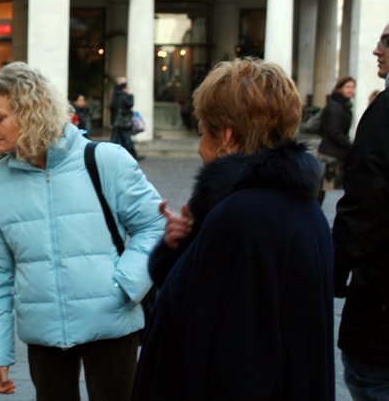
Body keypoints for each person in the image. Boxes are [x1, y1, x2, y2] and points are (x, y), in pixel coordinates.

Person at [133, 58, 334, 400]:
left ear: (226, 135)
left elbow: (228, 361)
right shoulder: (300, 207)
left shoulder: (241, 217)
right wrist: (184, 247)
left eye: (203, 132)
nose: (199, 147)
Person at [0, 62, 164, 400]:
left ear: (31, 112)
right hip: (44, 334)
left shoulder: (106, 160)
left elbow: (156, 225)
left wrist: (124, 285)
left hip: (112, 326)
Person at [333, 22, 389, 400]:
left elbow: (365, 204)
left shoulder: (384, 113)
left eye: (386, 40)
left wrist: (334, 271)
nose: (375, 49)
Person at [317, 75, 355, 204]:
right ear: (339, 89)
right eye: (347, 87)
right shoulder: (336, 107)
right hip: (330, 154)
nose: (351, 90)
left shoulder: (342, 105)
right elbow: (334, 131)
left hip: (334, 152)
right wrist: (349, 144)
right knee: (323, 190)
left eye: (352, 87)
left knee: (323, 190)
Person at [109, 76, 140, 160]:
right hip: (123, 121)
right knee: (125, 140)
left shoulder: (116, 94)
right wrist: (130, 95)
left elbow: (112, 107)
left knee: (119, 139)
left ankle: (131, 156)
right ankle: (131, 157)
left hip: (118, 120)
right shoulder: (122, 95)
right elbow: (130, 104)